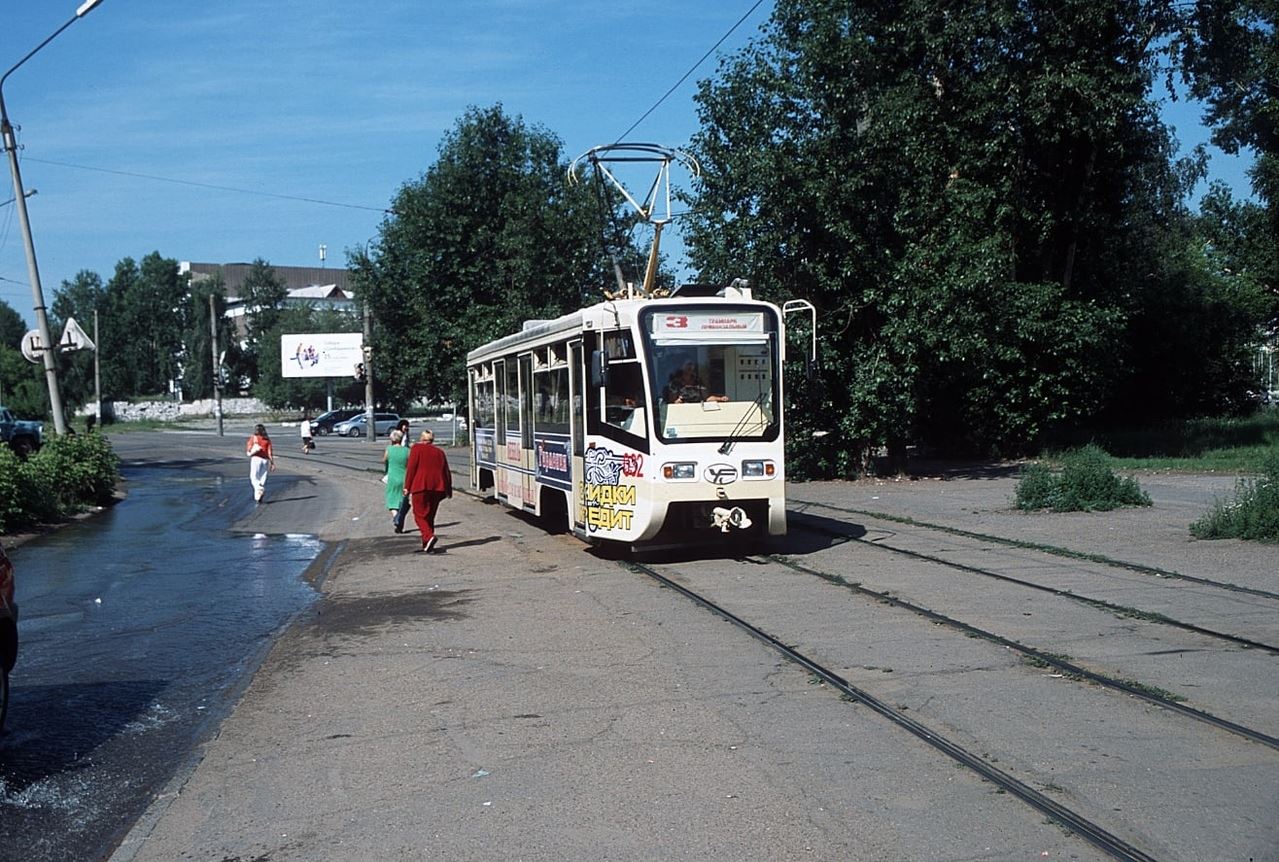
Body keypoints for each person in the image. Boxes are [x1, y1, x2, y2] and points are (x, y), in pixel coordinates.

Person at [402, 429, 452, 553]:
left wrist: (407, 486)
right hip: (437, 487)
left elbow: (411, 468)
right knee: (430, 515)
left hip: (420, 485)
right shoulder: (440, 452)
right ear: (432, 440)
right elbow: (446, 471)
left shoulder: (416, 448)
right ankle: (427, 544)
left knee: (419, 515)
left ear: (421, 438)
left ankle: (429, 537)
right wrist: (448, 489)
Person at [663, 361, 728, 404]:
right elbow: (672, 402)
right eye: (688, 364)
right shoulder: (675, 384)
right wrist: (678, 401)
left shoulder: (697, 381)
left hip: (697, 412)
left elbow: (707, 398)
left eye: (691, 365)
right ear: (682, 367)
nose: (690, 367)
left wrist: (721, 399)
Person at [384, 429, 410, 532]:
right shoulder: (407, 450)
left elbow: (385, 460)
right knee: (403, 501)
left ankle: (396, 517)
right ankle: (400, 520)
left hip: (392, 478)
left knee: (392, 500)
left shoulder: (389, 449)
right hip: (404, 478)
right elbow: (410, 465)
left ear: (392, 439)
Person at [245, 423, 276, 503]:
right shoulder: (267, 439)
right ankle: (258, 496)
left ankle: (259, 489)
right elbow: (270, 452)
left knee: (254, 477)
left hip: (256, 458)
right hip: (265, 460)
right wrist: (272, 463)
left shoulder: (253, 438)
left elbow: (249, 449)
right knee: (262, 477)